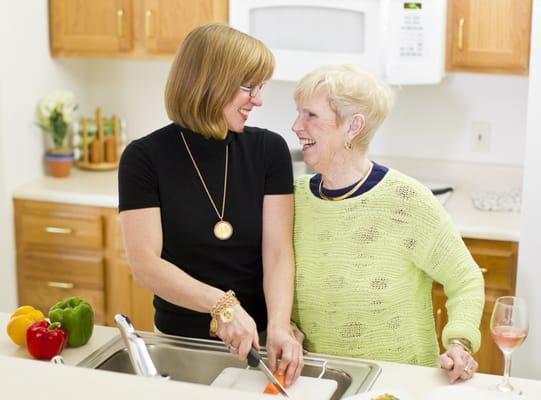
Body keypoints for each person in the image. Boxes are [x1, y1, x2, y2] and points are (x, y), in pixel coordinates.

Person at [118, 22, 303, 385]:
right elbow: (145, 265)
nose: (258, 99)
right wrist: (223, 305)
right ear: (210, 81)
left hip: (260, 343)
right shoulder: (144, 158)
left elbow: (278, 253)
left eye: (260, 87)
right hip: (179, 343)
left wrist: (279, 325)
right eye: (248, 87)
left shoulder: (270, 151)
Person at [290, 64, 484, 383]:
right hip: (317, 383)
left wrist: (459, 343)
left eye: (310, 115)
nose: (296, 125)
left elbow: (465, 278)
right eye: (298, 113)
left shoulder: (406, 200)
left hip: (397, 385)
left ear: (353, 126)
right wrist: (283, 324)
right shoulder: (293, 199)